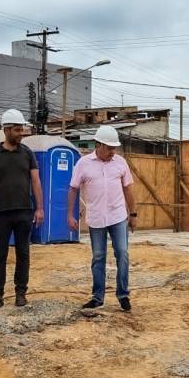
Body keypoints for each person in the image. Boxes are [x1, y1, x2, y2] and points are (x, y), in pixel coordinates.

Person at [67, 125, 136, 312]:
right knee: (98, 257)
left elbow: (128, 188)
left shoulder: (120, 163)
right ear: (98, 144)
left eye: (115, 148)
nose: (113, 151)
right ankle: (98, 297)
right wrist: (70, 215)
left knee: (122, 253)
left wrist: (134, 213)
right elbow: (73, 188)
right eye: (109, 147)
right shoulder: (83, 163)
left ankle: (123, 295)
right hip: (96, 219)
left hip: (118, 216)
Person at [0, 109, 44, 311]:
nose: (21, 133)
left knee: (23, 253)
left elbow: (36, 181)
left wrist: (40, 208)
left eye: (22, 129)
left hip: (24, 211)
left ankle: (20, 293)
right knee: (0, 255)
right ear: (6, 130)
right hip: (1, 213)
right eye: (17, 129)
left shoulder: (28, 153)